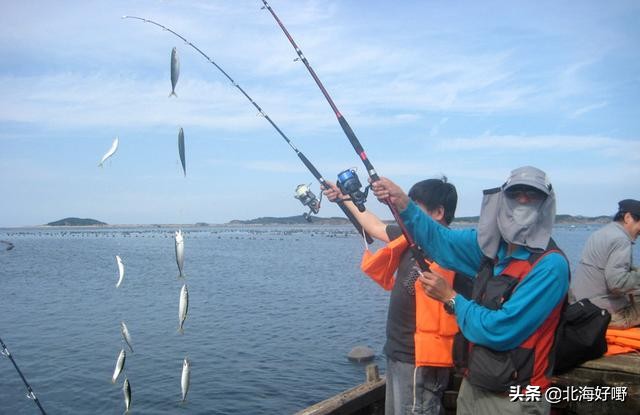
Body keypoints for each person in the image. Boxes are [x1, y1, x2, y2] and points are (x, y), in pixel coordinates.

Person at [371, 166, 570, 415]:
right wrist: (403, 202)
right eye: (515, 193)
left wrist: (450, 297)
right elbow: (441, 242)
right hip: (474, 386)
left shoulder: (550, 266)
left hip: (516, 399)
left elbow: (501, 329)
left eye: (532, 195)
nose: (522, 200)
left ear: (546, 204)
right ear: (502, 199)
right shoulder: (490, 248)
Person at [323, 177, 467, 415]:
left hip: (421, 360)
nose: (405, 211)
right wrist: (343, 197)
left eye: (413, 207)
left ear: (439, 212)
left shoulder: (454, 251)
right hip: (398, 353)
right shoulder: (410, 235)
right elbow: (374, 227)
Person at [570, 199, 640, 329]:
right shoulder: (621, 240)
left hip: (582, 306)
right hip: (604, 314)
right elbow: (617, 284)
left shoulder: (601, 233)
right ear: (628, 217)